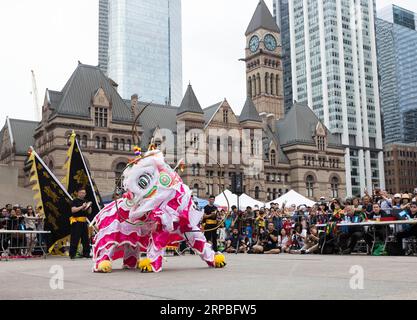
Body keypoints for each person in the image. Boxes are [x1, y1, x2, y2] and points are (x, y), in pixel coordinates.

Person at [69, 187, 92, 259]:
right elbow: (73, 210)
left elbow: (89, 212)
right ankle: (72, 254)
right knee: (75, 238)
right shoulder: (74, 201)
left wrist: (89, 206)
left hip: (84, 222)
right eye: (82, 193)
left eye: (84, 193)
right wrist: (82, 206)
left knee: (85, 239)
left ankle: (86, 254)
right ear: (78, 193)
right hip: (77, 222)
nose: (83, 194)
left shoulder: (85, 201)